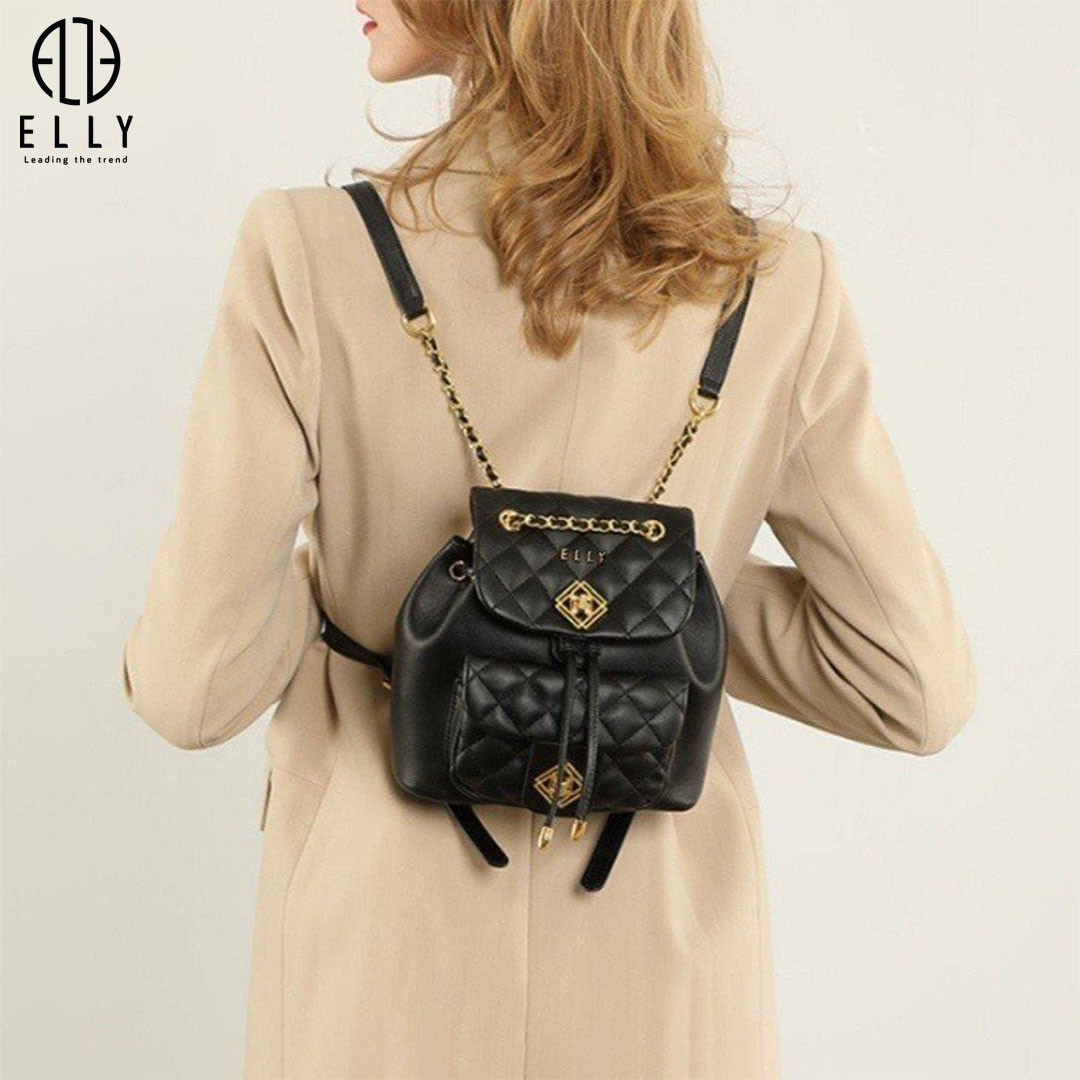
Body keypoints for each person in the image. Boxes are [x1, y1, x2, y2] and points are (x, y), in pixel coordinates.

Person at [120, 1, 977, 1076]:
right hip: (666, 988)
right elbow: (910, 681)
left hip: (381, 971)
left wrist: (370, 578)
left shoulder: (309, 252)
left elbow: (191, 688)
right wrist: (655, 591)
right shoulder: (773, 286)